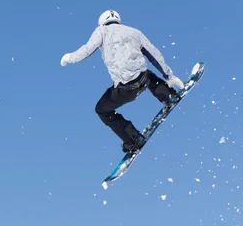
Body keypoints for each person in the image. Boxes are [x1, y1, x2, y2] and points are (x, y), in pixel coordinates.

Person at [60, 10, 185, 154]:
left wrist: (69, 57)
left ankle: (133, 139)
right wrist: (169, 76)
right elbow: (154, 54)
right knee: (147, 74)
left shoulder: (101, 31)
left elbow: (87, 50)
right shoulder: (134, 32)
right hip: (143, 79)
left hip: (126, 88)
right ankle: (168, 95)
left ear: (102, 22)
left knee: (102, 110)